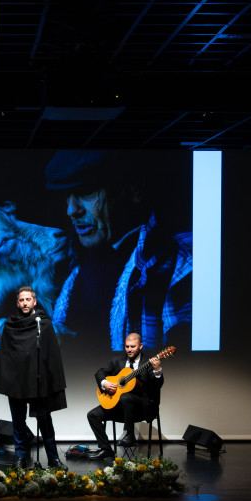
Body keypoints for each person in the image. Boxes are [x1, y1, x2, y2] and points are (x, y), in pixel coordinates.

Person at [45, 150, 192, 352]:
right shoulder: (72, 266)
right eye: (66, 196)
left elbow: (185, 364)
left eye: (86, 192)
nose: (72, 210)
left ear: (134, 189)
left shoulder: (180, 259)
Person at [0, 286, 67, 469]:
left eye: (28, 300)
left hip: (38, 381)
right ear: (17, 303)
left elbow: (51, 354)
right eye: (21, 300)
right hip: (17, 380)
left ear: (34, 301)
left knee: (44, 420)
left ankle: (53, 458)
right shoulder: (10, 324)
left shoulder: (44, 323)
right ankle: (20, 457)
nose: (25, 303)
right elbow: (6, 354)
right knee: (18, 421)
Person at [87, 333, 164, 460]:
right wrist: (104, 383)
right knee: (92, 415)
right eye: (127, 346)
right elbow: (100, 372)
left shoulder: (148, 363)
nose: (129, 349)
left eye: (133, 346)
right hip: (119, 408)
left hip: (142, 408)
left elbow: (157, 386)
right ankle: (106, 449)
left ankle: (129, 435)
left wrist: (158, 371)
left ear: (140, 346)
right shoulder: (117, 360)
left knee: (126, 397)